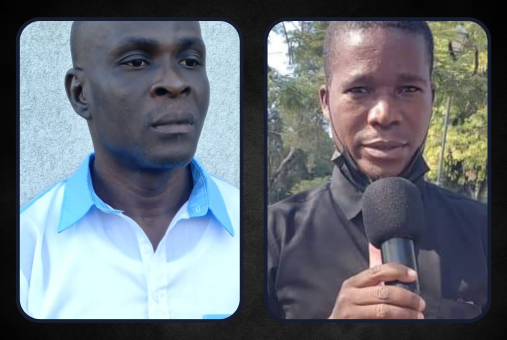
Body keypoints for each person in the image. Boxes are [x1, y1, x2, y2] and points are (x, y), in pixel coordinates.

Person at [267, 21, 488, 320]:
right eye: (359, 89)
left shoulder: (483, 230)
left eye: (408, 89)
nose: (383, 114)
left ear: (432, 99)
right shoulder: (269, 237)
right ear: (326, 102)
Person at [19, 21, 239, 320]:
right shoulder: (27, 246)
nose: (175, 83)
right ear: (80, 93)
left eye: (190, 61)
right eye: (136, 62)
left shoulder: (260, 233)